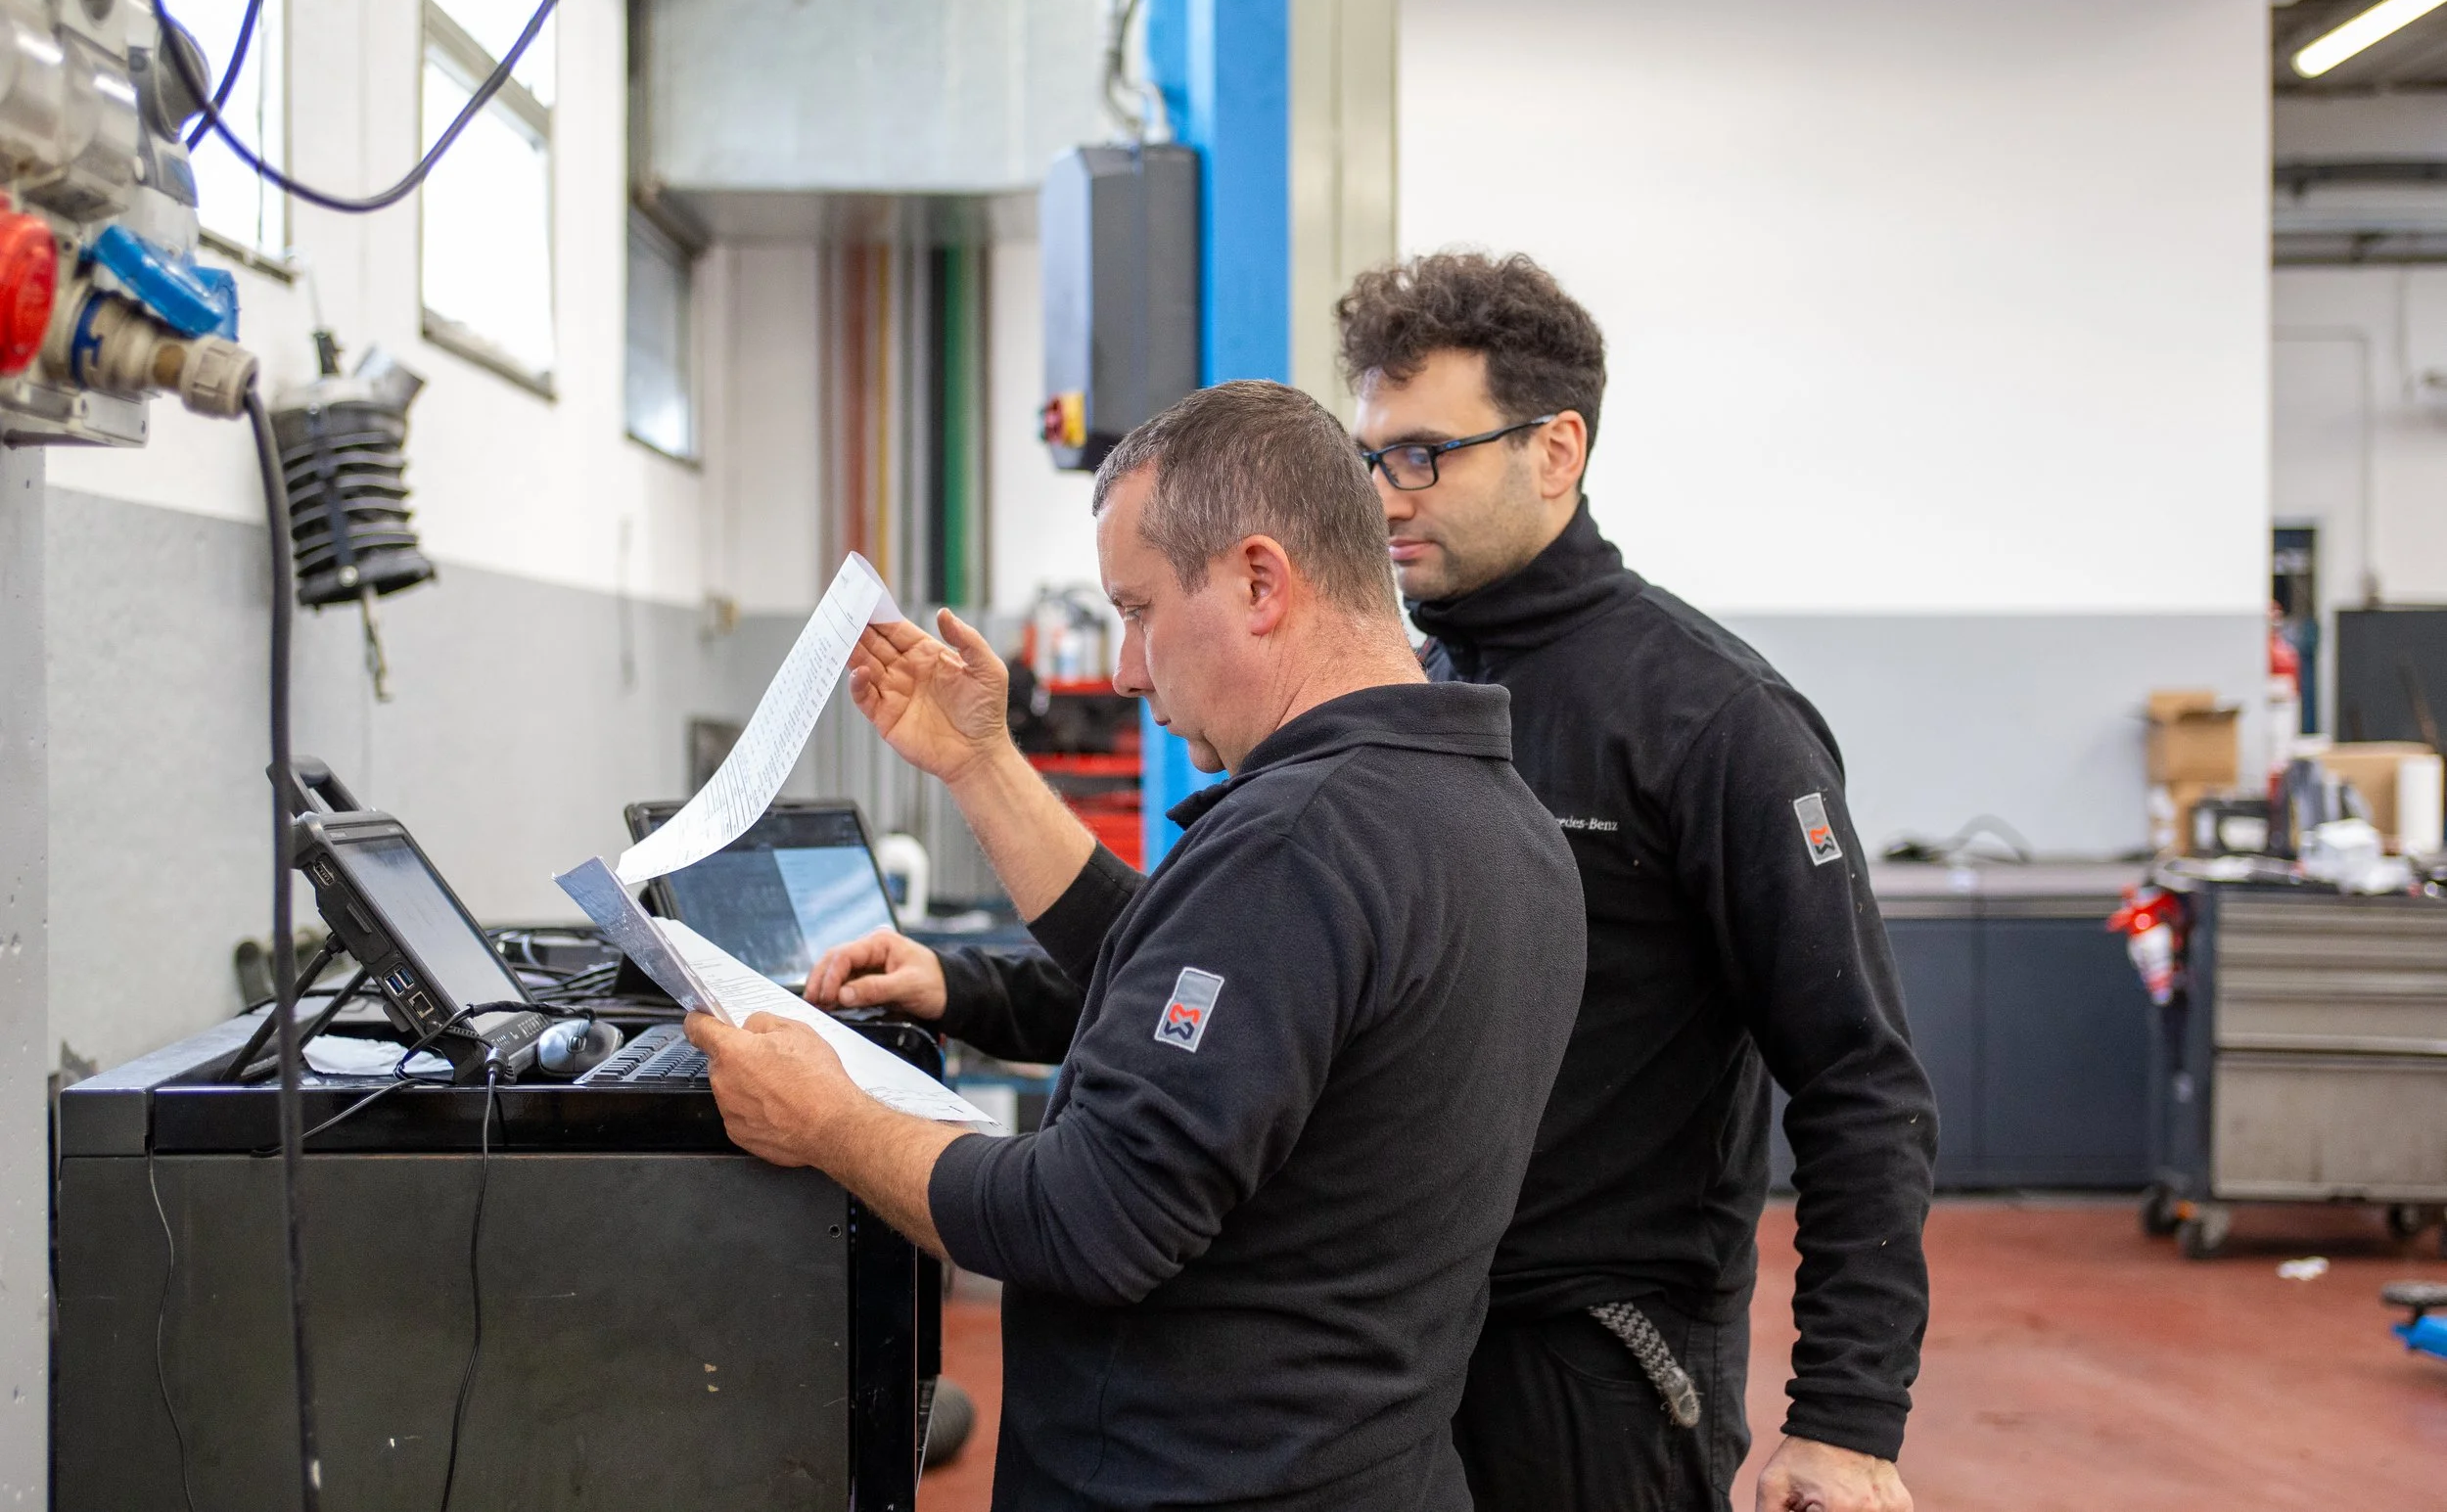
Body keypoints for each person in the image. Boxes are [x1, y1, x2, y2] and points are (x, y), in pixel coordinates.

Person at [687, 379, 1587, 1511]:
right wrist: (979, 768)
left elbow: (1087, 1217)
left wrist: (827, 1117)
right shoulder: (1498, 820)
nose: (1125, 667)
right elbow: (1244, 1019)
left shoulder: (1295, 845)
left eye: (1139, 608)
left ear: (1259, 581)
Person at [1335, 252, 1936, 1512]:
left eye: (1424, 453)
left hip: (1604, 1368)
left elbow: (1858, 1076)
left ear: (1555, 449)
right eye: (1371, 454)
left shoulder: (1713, 718)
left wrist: (1845, 1413)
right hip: (1399, 1349)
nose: (1385, 493)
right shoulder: (1408, 694)